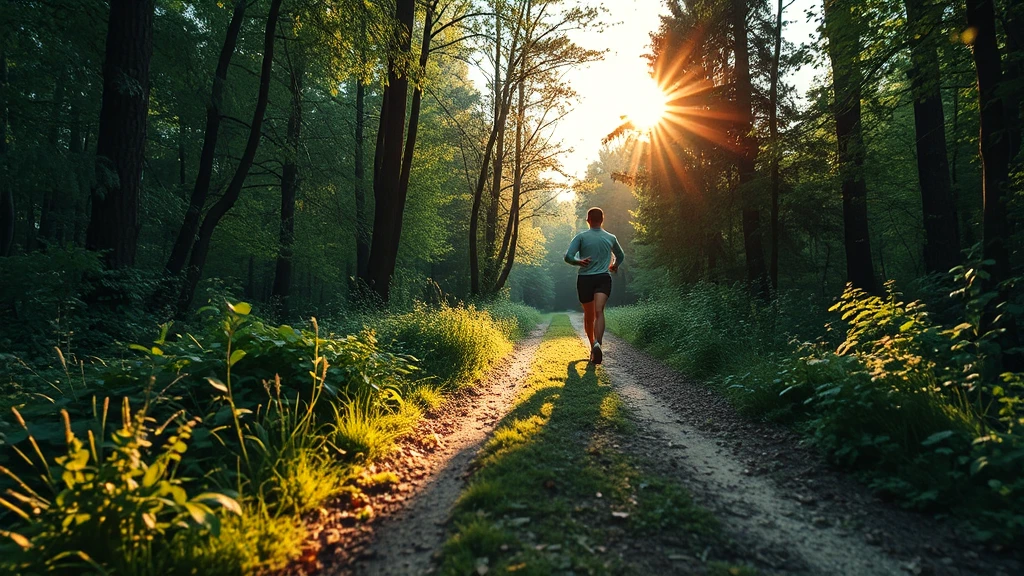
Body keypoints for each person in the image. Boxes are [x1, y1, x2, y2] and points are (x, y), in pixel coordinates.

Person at [564, 207, 625, 364]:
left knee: (589, 315)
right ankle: (598, 343)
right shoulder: (611, 237)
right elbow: (621, 255)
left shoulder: (581, 237)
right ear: (602, 220)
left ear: (588, 220)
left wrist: (578, 262)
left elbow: (568, 257)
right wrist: (614, 265)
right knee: (599, 312)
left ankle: (593, 346)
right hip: (603, 278)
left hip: (585, 279)